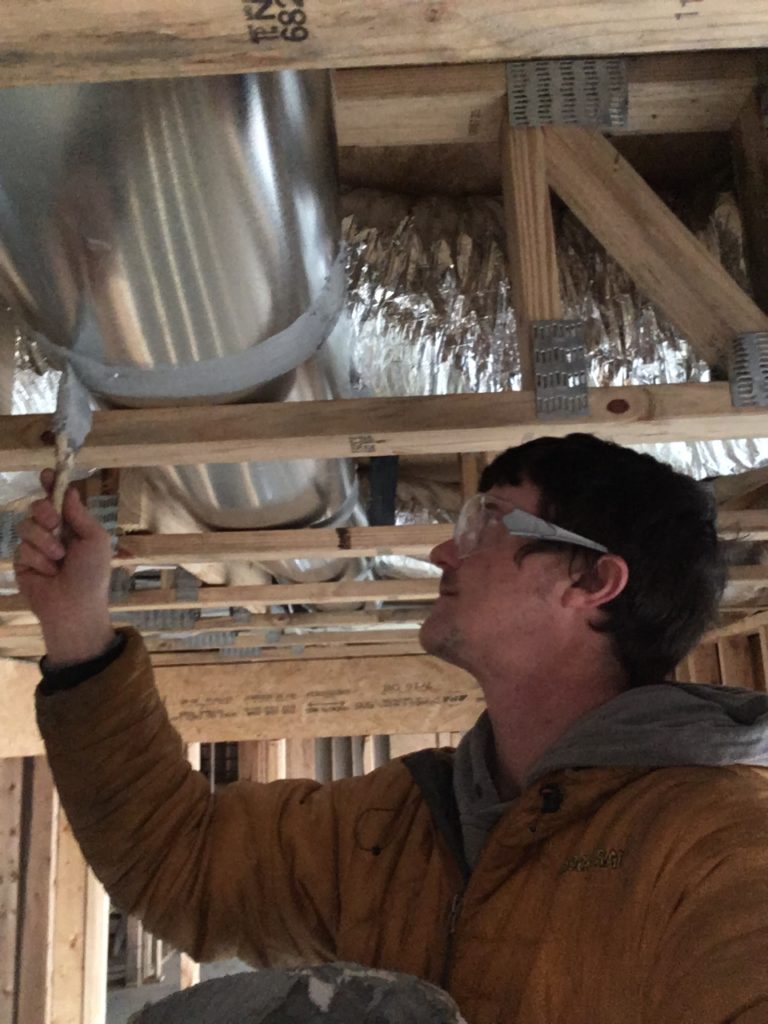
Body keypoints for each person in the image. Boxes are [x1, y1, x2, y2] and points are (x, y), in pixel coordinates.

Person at [14, 433, 768, 1024]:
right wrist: (78, 632)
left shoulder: (723, 851)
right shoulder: (402, 826)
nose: (443, 550)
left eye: (487, 522)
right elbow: (182, 859)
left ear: (593, 581)